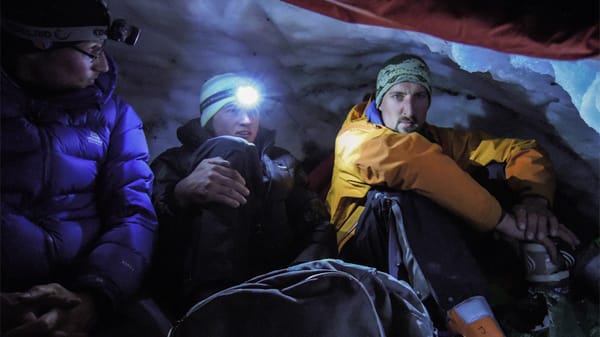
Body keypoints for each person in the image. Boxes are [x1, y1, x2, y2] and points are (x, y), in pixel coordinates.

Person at [326, 54, 581, 337]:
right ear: (379, 100)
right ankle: (476, 324)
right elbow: (416, 164)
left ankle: (558, 281)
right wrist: (505, 223)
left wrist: (534, 201)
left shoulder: (437, 139)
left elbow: (521, 149)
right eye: (398, 96)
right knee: (403, 196)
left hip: (432, 250)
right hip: (363, 258)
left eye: (419, 96)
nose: (409, 109)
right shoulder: (357, 139)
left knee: (497, 173)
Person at [1, 0, 159, 336]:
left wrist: (94, 296)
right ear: (40, 44)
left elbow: (133, 212)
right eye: (91, 51)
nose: (103, 65)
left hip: (83, 284)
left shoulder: (116, 117)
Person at [150, 73, 338, 317]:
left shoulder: (281, 163)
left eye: (253, 112)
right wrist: (180, 194)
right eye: (232, 110)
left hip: (273, 296)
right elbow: (146, 224)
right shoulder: (174, 163)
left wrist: (297, 280)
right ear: (209, 118)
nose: (246, 120)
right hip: (194, 302)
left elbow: (317, 226)